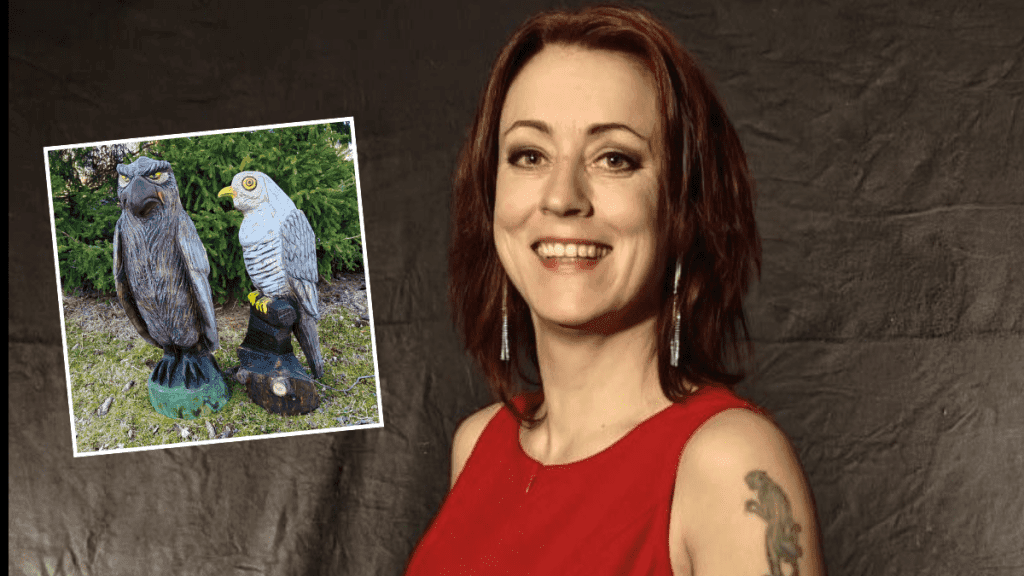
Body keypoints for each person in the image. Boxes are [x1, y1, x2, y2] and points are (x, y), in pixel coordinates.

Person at [406, 6, 825, 575]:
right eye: (529, 155)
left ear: (685, 203)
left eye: (614, 159)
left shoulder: (727, 463)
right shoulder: (477, 444)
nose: (562, 197)